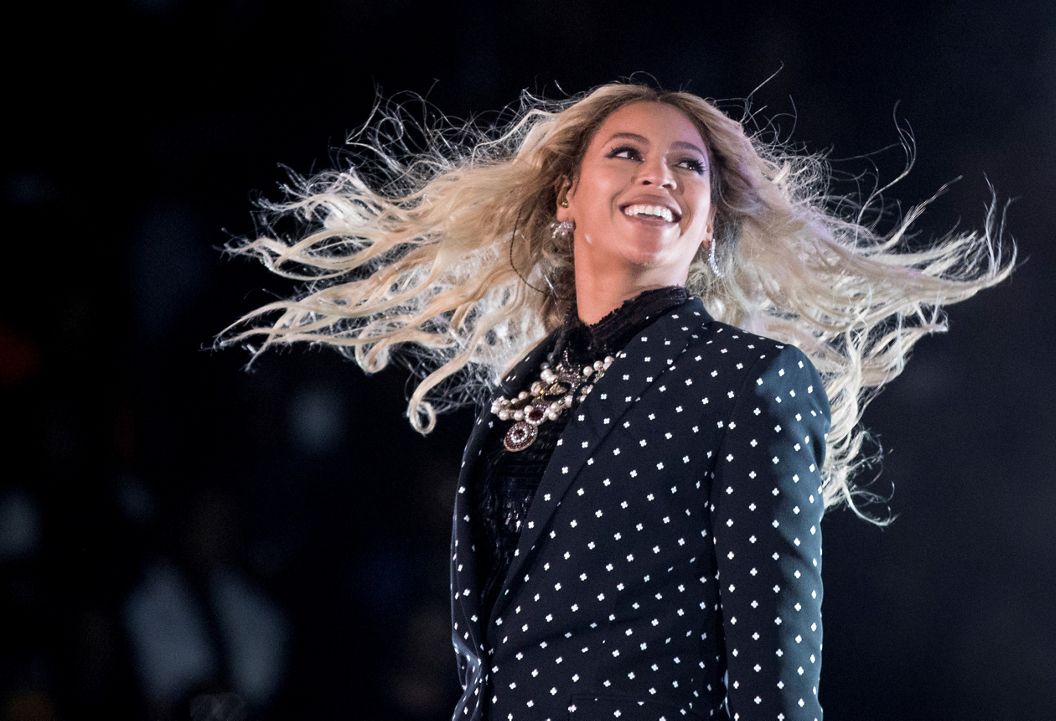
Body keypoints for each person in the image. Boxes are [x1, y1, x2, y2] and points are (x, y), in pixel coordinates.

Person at [219, 81, 1013, 721]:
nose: (657, 175)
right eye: (626, 153)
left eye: (688, 165)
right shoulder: (521, 390)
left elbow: (776, 674)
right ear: (566, 198)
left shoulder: (749, 379)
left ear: (707, 227)